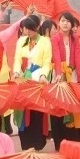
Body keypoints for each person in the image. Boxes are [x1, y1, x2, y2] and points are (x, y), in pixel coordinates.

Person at [50, 12, 80, 150]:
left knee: (76, 106)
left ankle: (78, 138)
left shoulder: (75, 38)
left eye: (67, 21)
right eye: (62, 21)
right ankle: (60, 140)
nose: (65, 23)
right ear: (59, 23)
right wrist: (59, 74)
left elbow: (78, 57)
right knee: (60, 106)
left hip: (72, 75)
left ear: (72, 24)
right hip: (59, 75)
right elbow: (56, 55)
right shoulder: (55, 38)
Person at [13, 17, 52, 151]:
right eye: (25, 29)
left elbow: (47, 62)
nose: (28, 32)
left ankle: (37, 142)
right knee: (22, 109)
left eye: (31, 28)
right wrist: (17, 72)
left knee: (36, 111)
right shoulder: (21, 41)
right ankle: (25, 141)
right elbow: (17, 59)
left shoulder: (45, 42)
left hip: (38, 79)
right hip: (24, 79)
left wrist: (43, 75)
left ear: (37, 27)